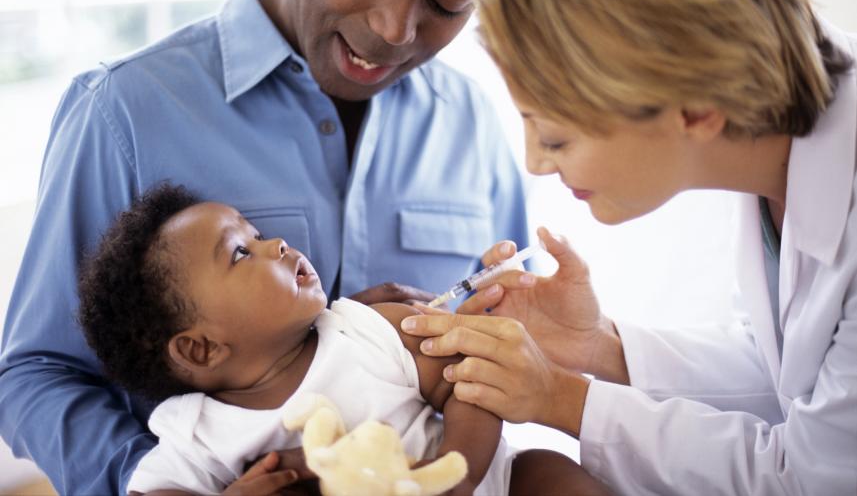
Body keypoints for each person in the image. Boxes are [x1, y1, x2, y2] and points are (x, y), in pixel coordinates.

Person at [0, 0, 530, 493]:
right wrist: (171, 481)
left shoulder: (470, 121)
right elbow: (35, 376)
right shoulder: (121, 111)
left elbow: (511, 339)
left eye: (448, 2)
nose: (395, 29)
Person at [400, 0, 857, 494]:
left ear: (696, 110)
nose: (536, 164)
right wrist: (597, 346)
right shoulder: (780, 165)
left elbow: (819, 477)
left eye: (557, 138)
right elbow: (791, 376)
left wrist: (560, 398)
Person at [76, 183, 605, 495]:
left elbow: (472, 382)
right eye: (241, 253)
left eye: (257, 236)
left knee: (546, 472)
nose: (276, 245)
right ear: (201, 349)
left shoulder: (365, 327)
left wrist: (455, 475)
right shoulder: (197, 433)